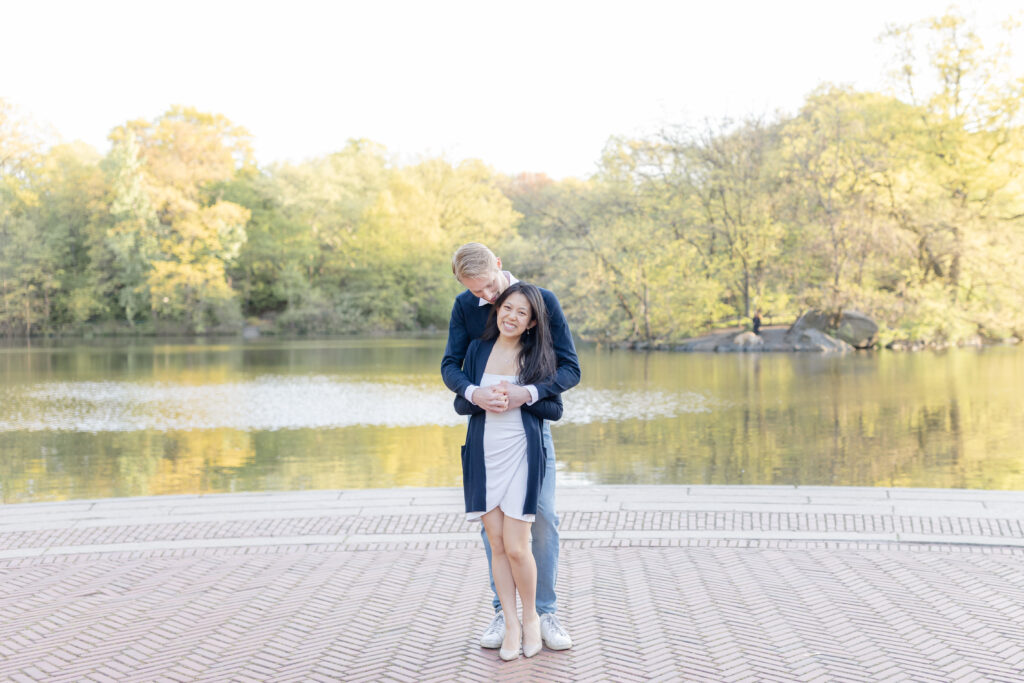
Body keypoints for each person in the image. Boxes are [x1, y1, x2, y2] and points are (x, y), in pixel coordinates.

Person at [442, 243, 580, 653]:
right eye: (475, 292)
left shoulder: (540, 302)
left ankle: (545, 611)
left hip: (531, 433)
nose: (484, 298)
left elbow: (569, 367)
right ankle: (504, 613)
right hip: (487, 433)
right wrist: (472, 392)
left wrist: (529, 393)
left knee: (544, 518)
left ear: (498, 266)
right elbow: (451, 363)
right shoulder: (466, 306)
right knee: (495, 534)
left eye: (487, 287)